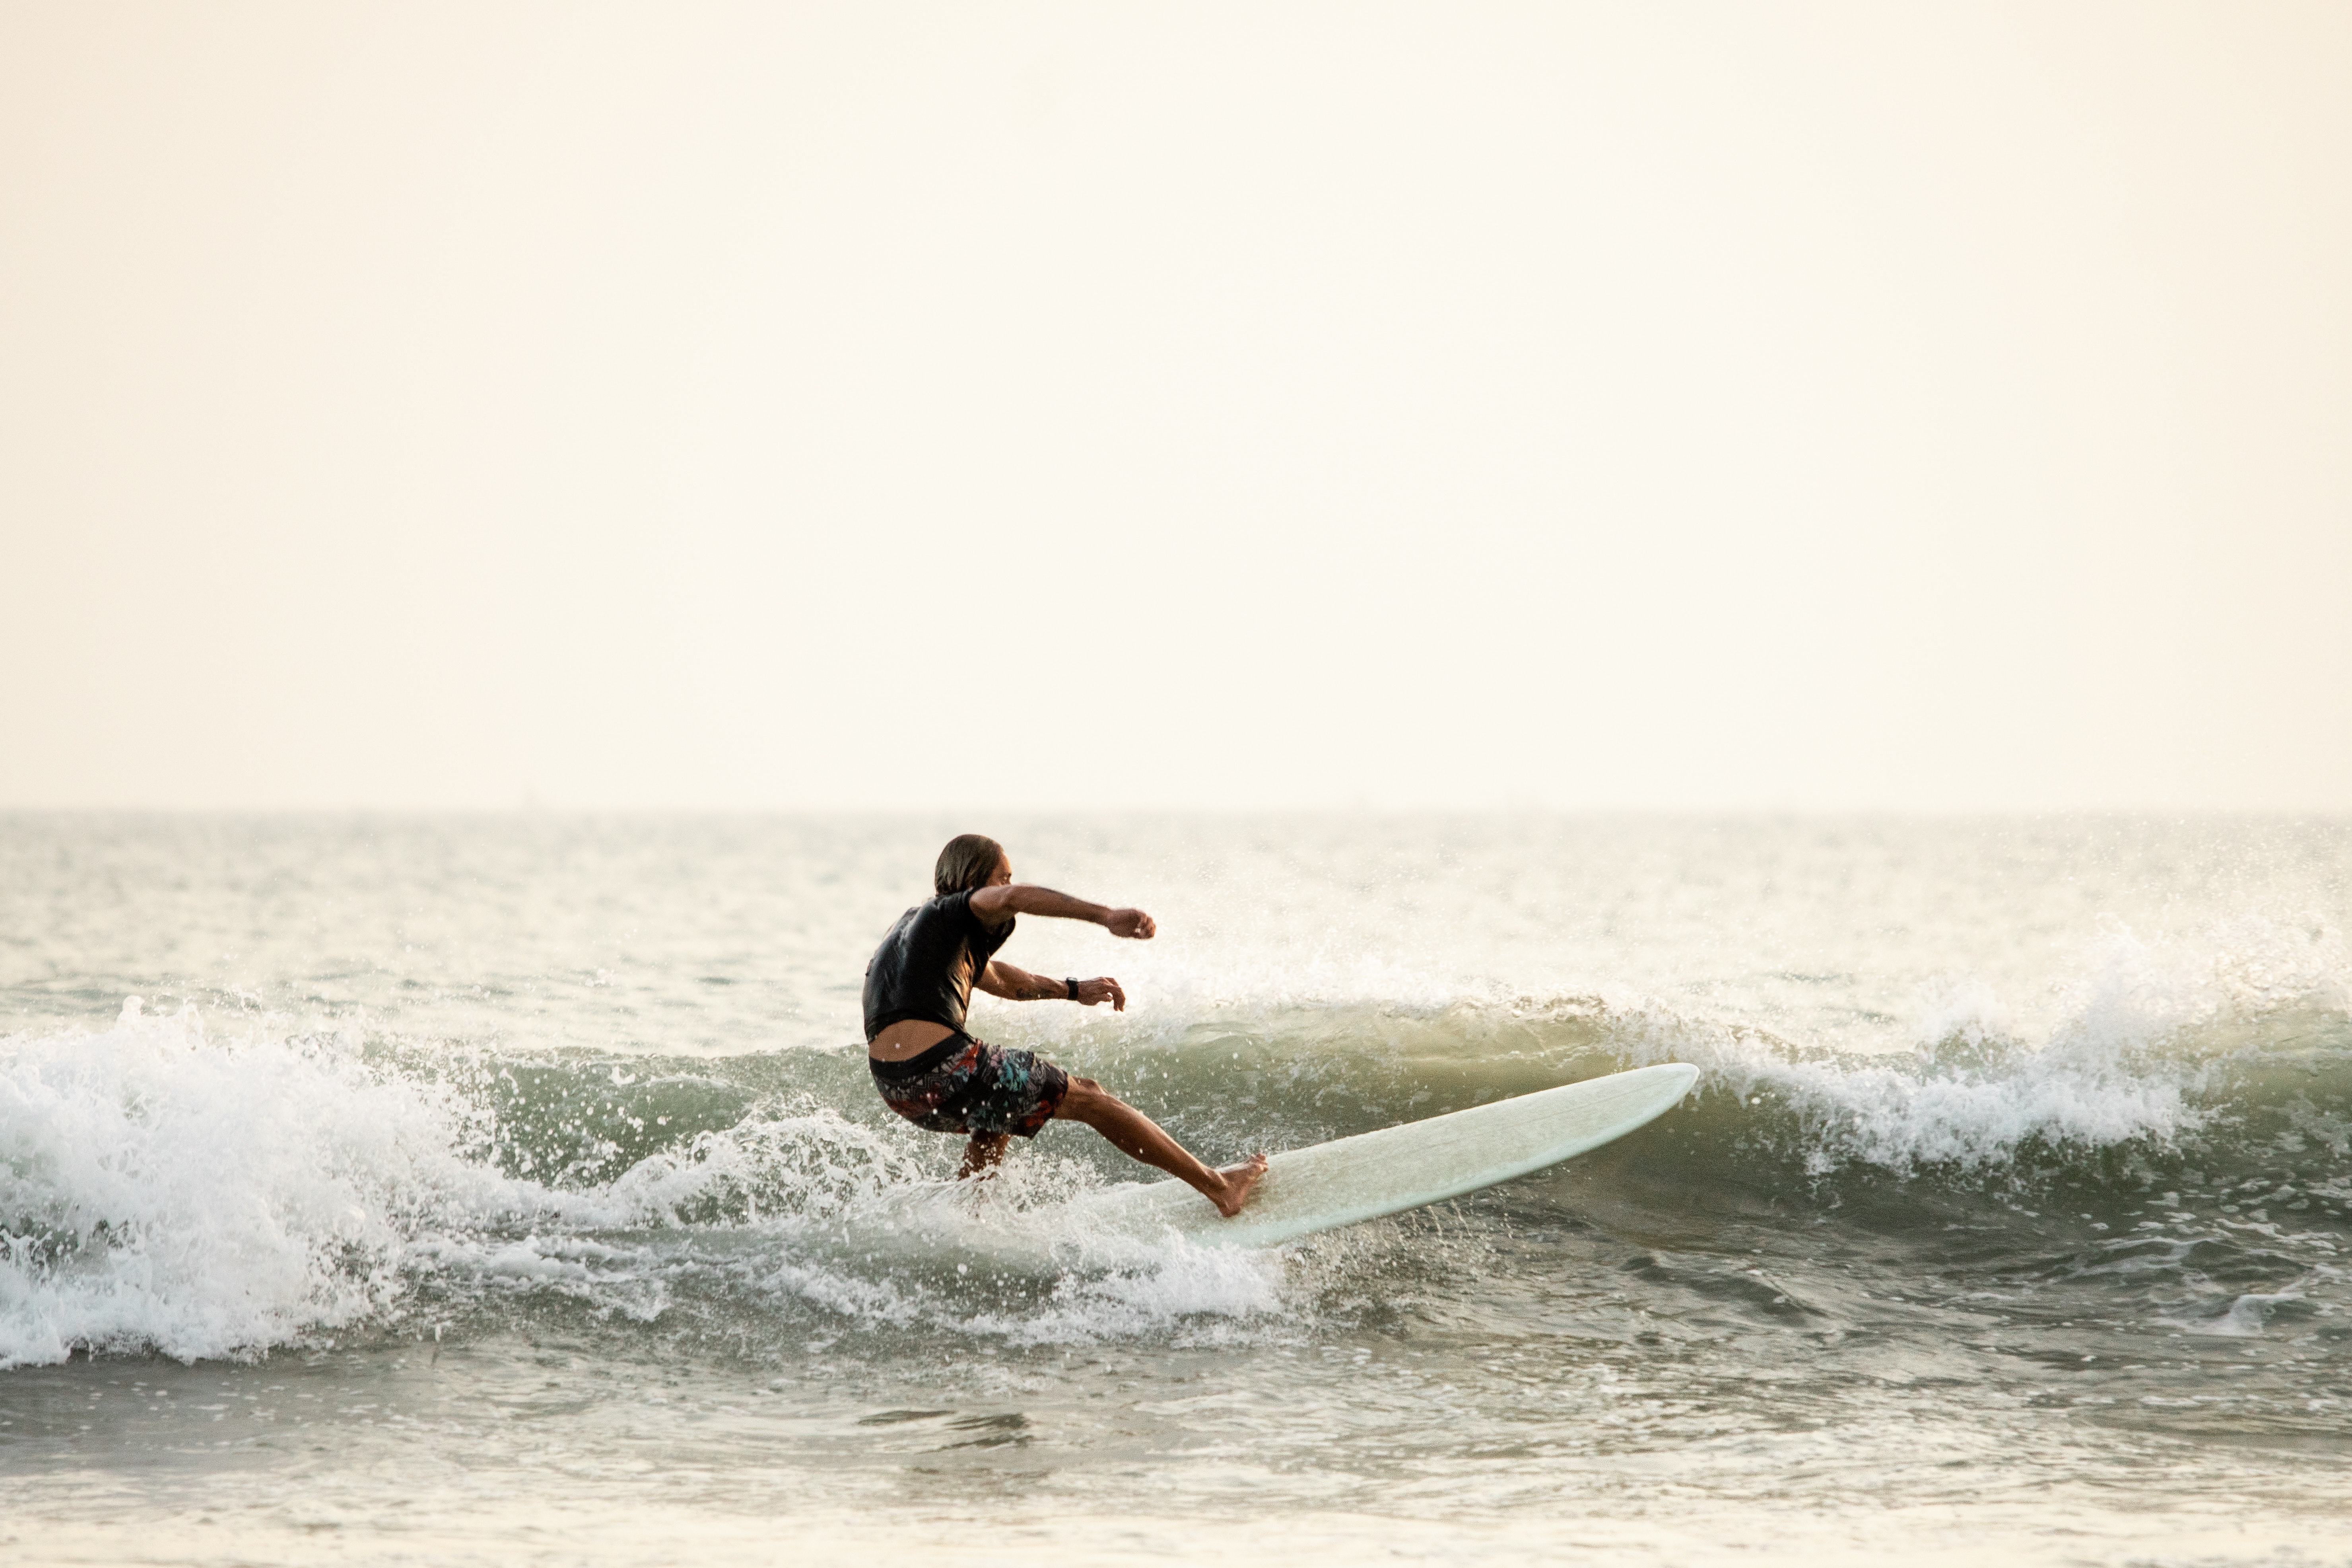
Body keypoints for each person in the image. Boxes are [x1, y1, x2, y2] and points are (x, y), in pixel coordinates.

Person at [863, 833, 1267, 1217]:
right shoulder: (957, 908)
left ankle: (970, 1218)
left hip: (897, 1088)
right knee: (1090, 1096)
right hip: (945, 1065)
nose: (1007, 883)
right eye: (1002, 875)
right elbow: (1014, 898)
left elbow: (1002, 980)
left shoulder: (914, 932)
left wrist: (1074, 990)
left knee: (999, 1114)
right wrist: (1105, 915)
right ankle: (1219, 1188)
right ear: (973, 880)